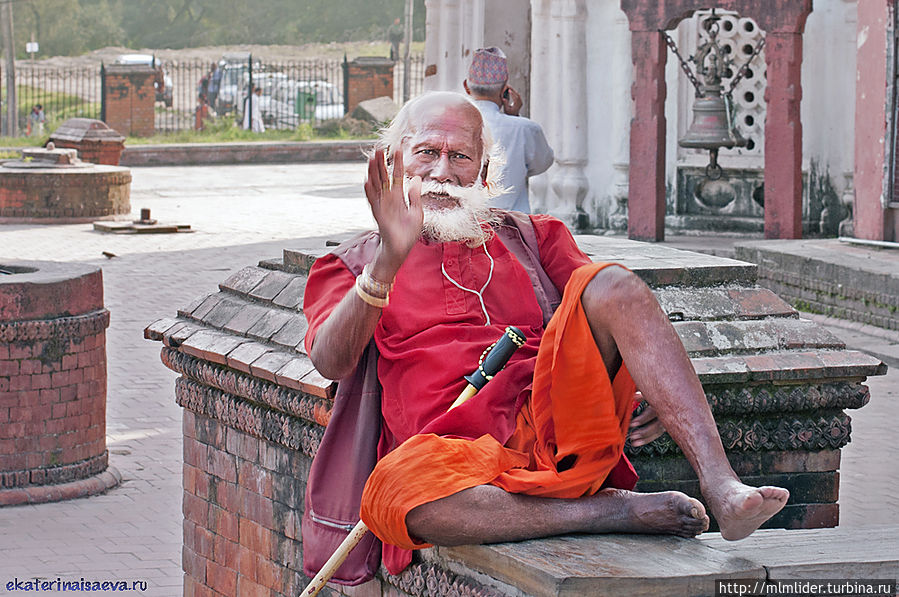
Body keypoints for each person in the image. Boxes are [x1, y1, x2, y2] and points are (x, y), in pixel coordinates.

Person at [303, 91, 789, 576]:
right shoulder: (352, 264)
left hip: (558, 429)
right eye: (427, 152)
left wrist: (650, 389)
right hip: (448, 463)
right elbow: (330, 361)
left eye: (460, 156)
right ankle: (613, 511)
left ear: (485, 172)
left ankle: (723, 486)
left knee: (614, 282)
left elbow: (607, 314)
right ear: (394, 164)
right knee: (395, 493)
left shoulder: (536, 237)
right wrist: (389, 257)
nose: (442, 171)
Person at [463, 47, 553, 213]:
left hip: (465, 224)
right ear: (505, 91)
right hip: (512, 226)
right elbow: (542, 163)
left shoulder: (453, 125)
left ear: (466, 87)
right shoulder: (525, 129)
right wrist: (515, 117)